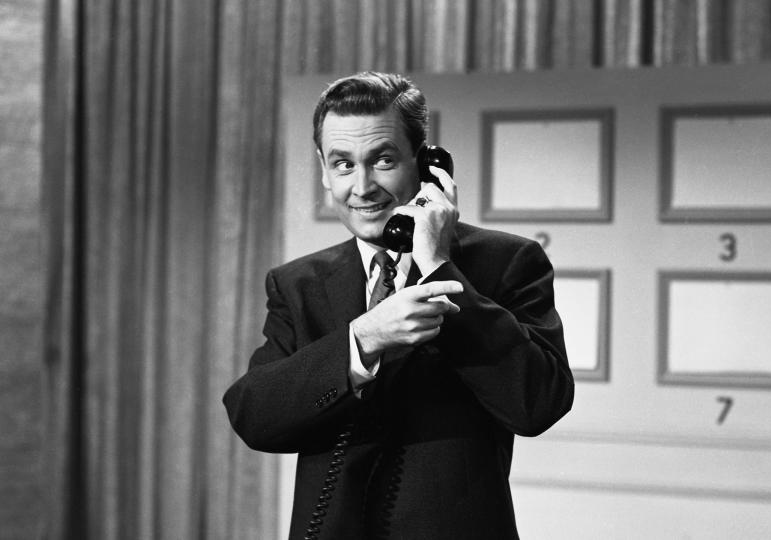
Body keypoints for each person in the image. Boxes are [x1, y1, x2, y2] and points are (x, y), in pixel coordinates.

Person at [222, 71, 574, 539]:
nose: (362, 186)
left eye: (382, 160)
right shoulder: (297, 283)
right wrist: (363, 340)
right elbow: (254, 415)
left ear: (426, 166)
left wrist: (438, 265)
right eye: (343, 164)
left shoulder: (507, 263)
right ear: (325, 173)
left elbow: (538, 405)